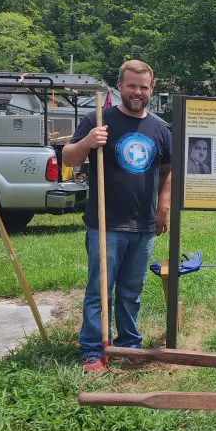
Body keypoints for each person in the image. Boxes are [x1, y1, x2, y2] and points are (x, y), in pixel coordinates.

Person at [63, 60, 173, 372]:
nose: (137, 92)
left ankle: (128, 345)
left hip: (142, 225)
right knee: (100, 290)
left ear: (152, 89)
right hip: (105, 224)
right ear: (120, 86)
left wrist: (162, 207)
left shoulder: (159, 129)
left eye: (144, 87)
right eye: (132, 85)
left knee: (130, 292)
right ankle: (93, 351)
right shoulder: (99, 119)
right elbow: (68, 157)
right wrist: (88, 141)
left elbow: (167, 172)